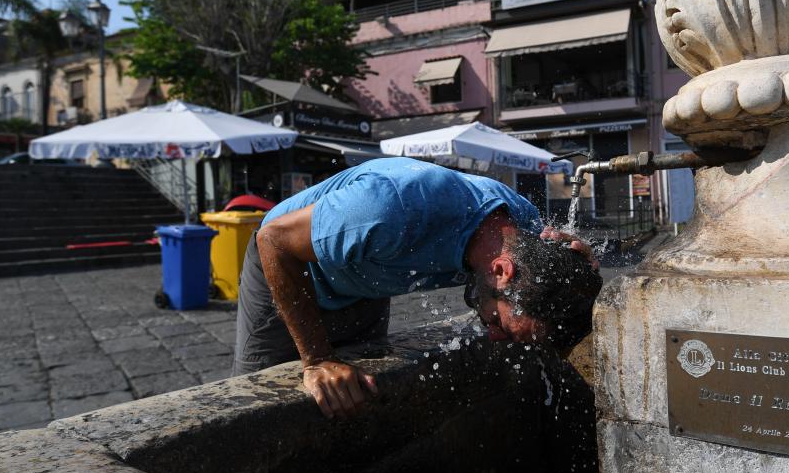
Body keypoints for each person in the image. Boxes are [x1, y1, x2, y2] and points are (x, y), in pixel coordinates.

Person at [231, 156, 604, 419]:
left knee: (357, 400)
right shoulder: (389, 209)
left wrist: (578, 266)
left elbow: (561, 263)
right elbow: (273, 241)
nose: (495, 336)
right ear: (501, 271)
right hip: (289, 268)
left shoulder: (521, 226)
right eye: (503, 326)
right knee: (261, 401)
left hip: (366, 284)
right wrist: (316, 360)